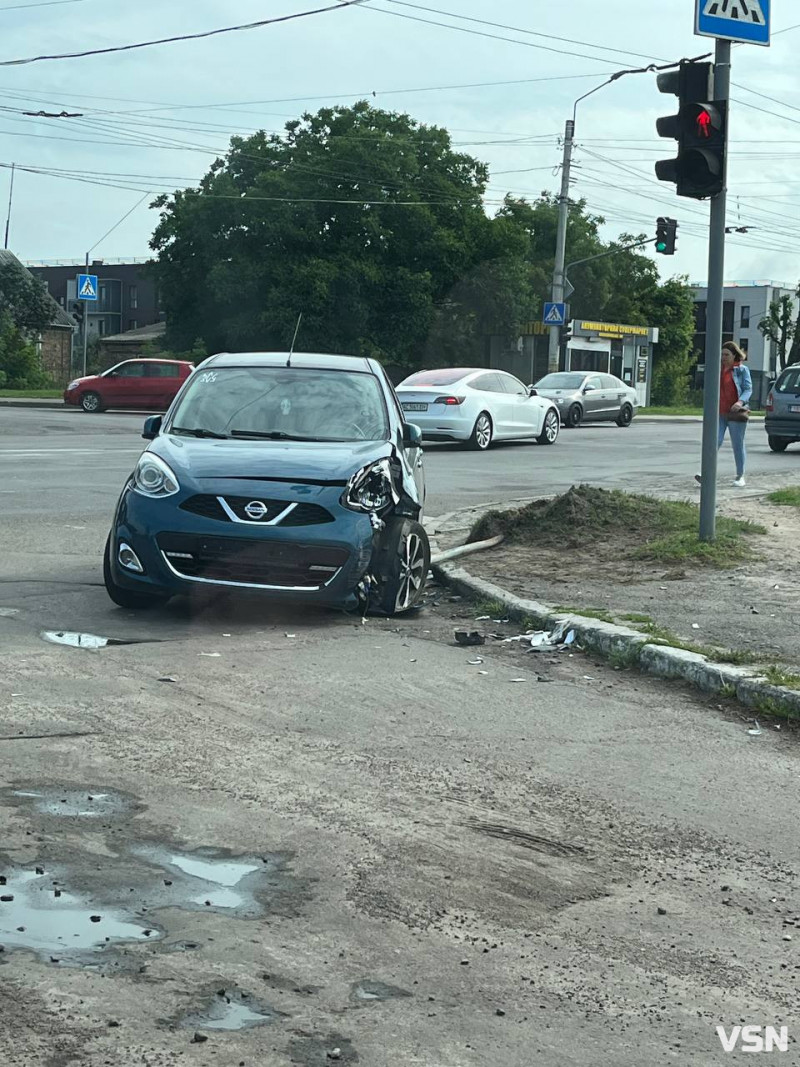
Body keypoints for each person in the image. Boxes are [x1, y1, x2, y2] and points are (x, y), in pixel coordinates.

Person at [696, 342, 752, 488]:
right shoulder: (717, 369)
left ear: (735, 355)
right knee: (713, 442)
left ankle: (740, 476)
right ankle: (706, 474)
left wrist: (740, 402)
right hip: (719, 413)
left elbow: (748, 389)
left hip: (735, 414)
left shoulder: (741, 370)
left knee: (737, 445)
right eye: (722, 354)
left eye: (727, 354)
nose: (723, 357)